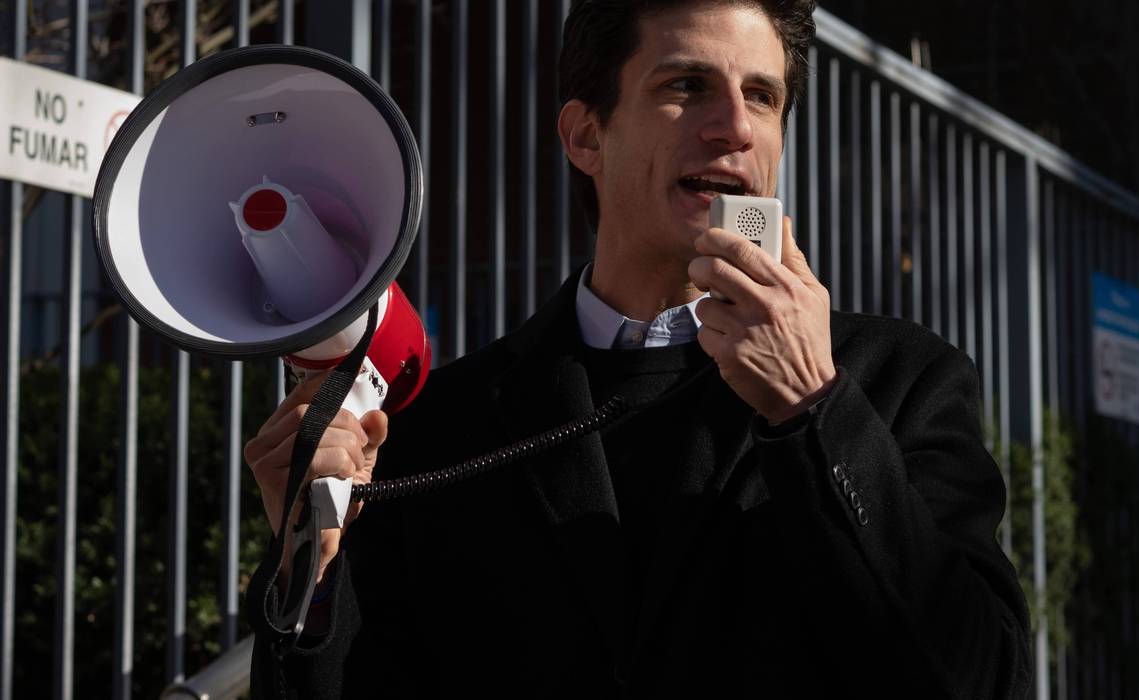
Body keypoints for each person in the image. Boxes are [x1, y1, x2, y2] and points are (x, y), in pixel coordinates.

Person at [245, 1, 1032, 697]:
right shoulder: (443, 423)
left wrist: (812, 408)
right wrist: (309, 564)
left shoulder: (897, 381)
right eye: (685, 85)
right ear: (586, 135)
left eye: (762, 95)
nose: (735, 126)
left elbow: (980, 675)